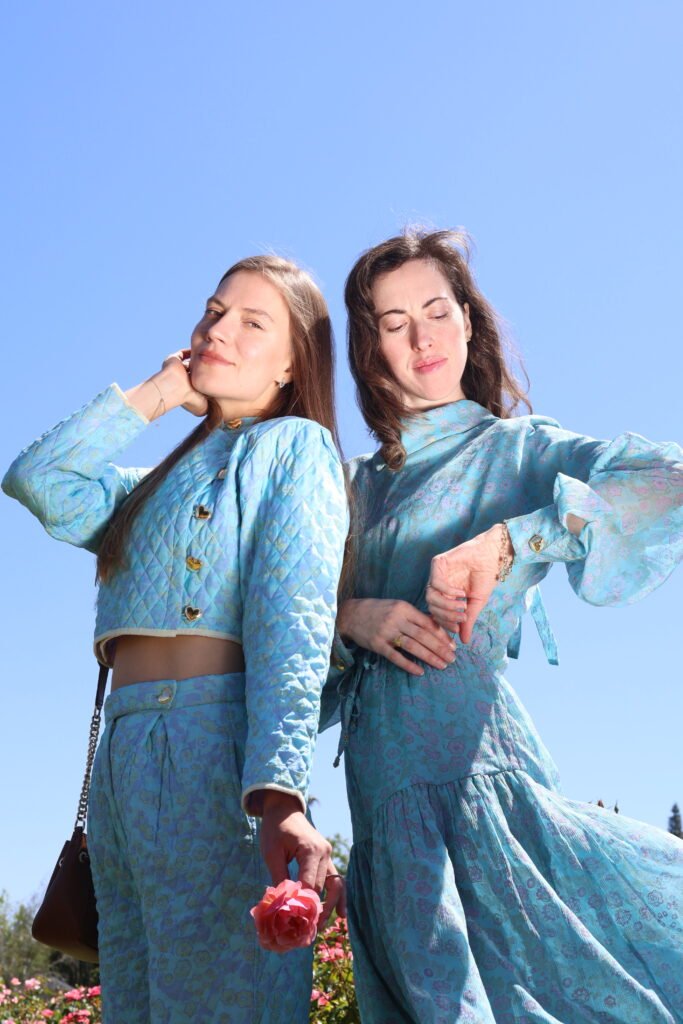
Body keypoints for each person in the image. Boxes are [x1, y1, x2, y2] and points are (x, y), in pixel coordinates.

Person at [323, 230, 683, 1023]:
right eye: (392, 323)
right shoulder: (343, 489)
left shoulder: (518, 449)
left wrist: (514, 540)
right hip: (379, 813)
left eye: (435, 311)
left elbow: (669, 482)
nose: (421, 338)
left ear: (467, 320)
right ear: (368, 347)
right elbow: (275, 644)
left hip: (478, 789)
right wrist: (348, 618)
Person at [3, 255, 348, 1024]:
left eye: (252, 322)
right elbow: (36, 479)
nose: (218, 330)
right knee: (133, 1003)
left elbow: (292, 622)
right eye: (214, 311)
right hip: (121, 756)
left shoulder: (295, 448)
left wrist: (280, 793)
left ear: (293, 362)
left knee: (221, 999)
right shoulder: (147, 484)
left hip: (215, 746)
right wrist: (159, 394)